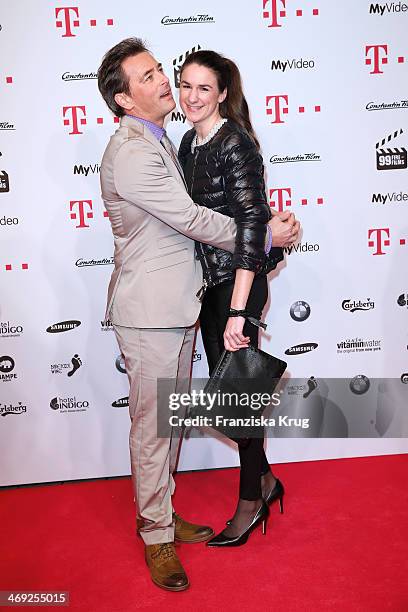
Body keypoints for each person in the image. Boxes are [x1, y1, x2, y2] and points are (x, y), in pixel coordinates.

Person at [98, 38, 299, 590]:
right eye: (151, 77)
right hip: (152, 310)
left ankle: (165, 514)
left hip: (182, 304)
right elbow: (193, 219)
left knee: (173, 422)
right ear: (124, 100)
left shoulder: (168, 138)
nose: (166, 82)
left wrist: (262, 245)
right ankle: (156, 535)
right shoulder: (135, 152)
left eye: (164, 71)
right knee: (153, 428)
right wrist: (263, 235)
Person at [178, 50, 299, 547]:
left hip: (238, 286)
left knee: (239, 402)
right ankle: (267, 482)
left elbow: (253, 228)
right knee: (232, 399)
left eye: (204, 88)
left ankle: (250, 502)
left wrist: (238, 310)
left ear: (223, 93)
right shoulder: (189, 141)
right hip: (210, 285)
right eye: (185, 85)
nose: (191, 96)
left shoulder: (236, 144)